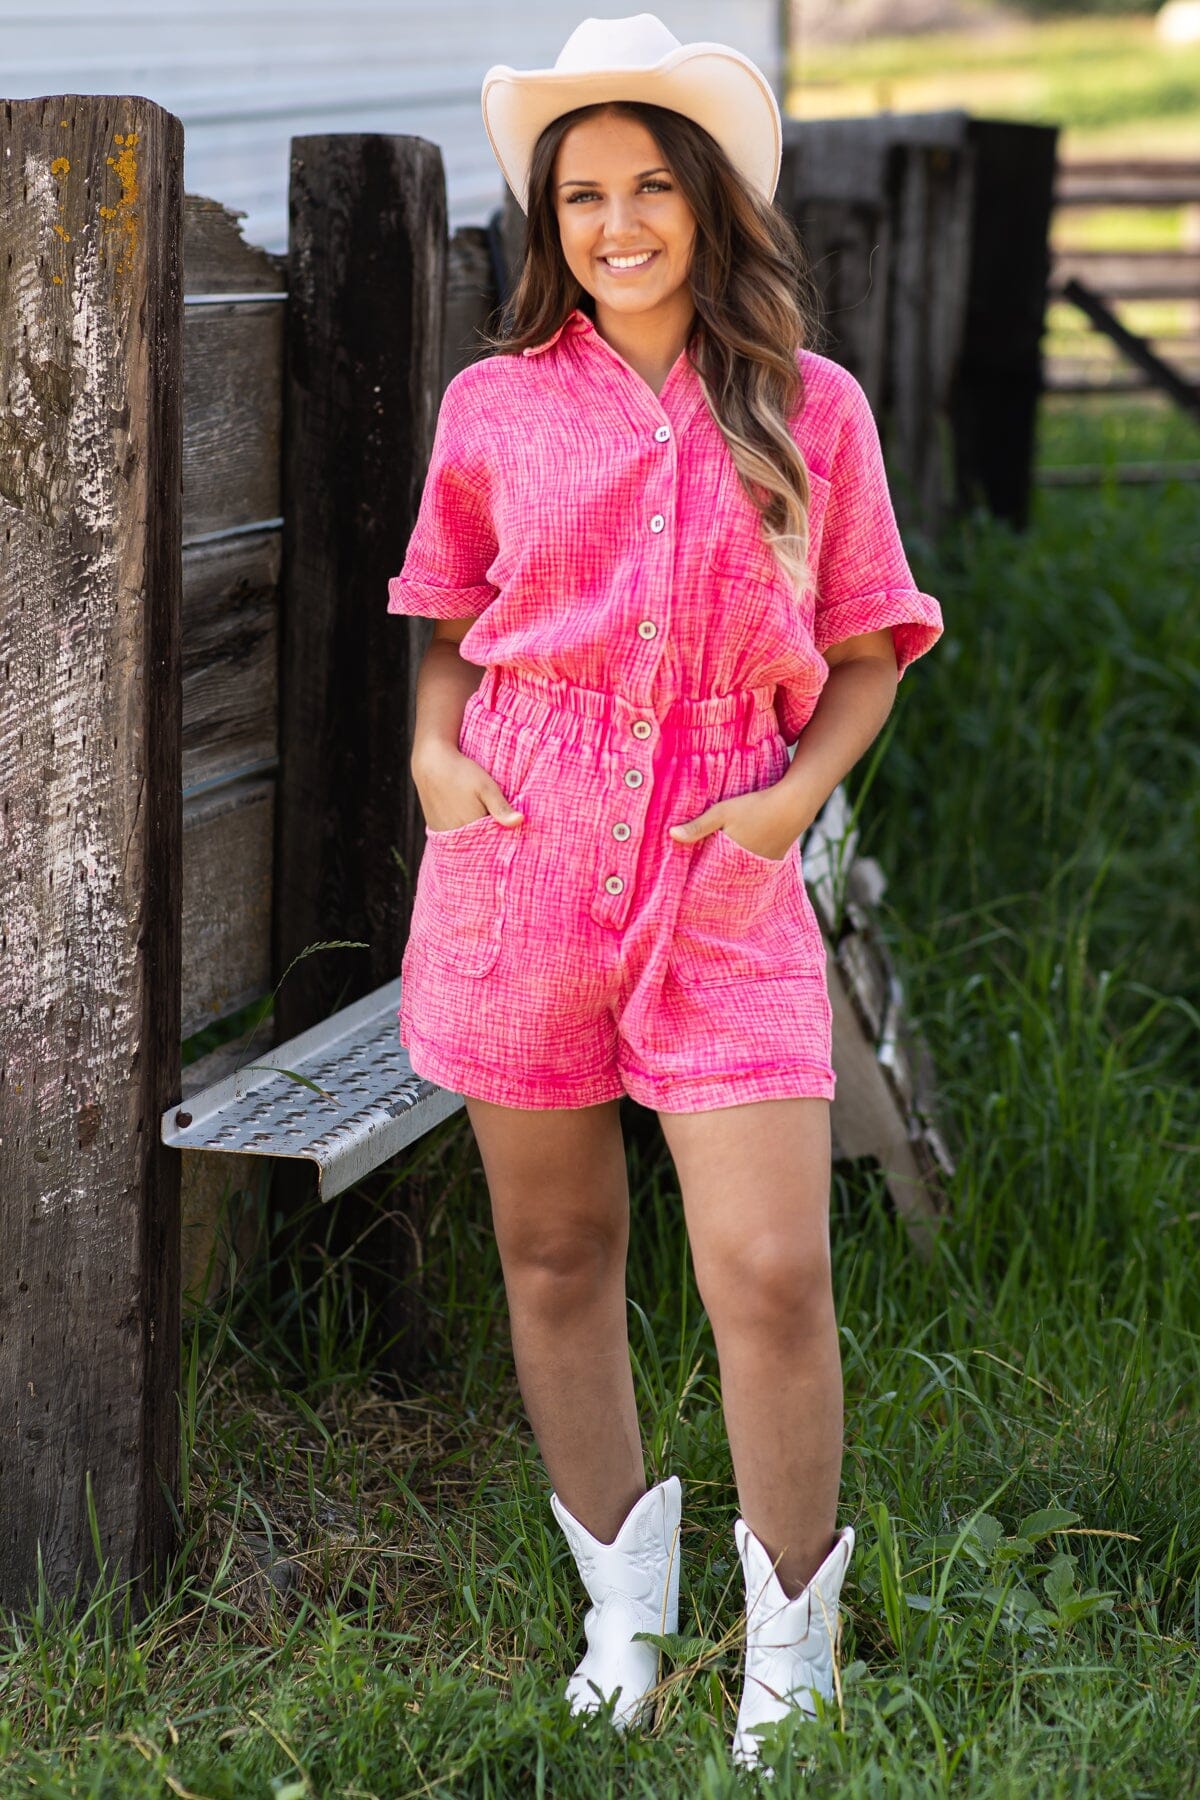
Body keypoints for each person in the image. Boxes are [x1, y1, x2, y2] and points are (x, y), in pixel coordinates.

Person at [386, 12, 944, 1772]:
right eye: (582, 195)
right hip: (523, 850)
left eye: (649, 186)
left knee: (771, 1268)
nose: (617, 223)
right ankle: (623, 1618)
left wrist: (784, 804)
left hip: (723, 861)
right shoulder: (494, 405)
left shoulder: (810, 406)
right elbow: (447, 614)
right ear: (547, 221)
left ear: (707, 200)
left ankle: (795, 1652)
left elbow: (872, 648)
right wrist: (434, 751)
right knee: (556, 1251)